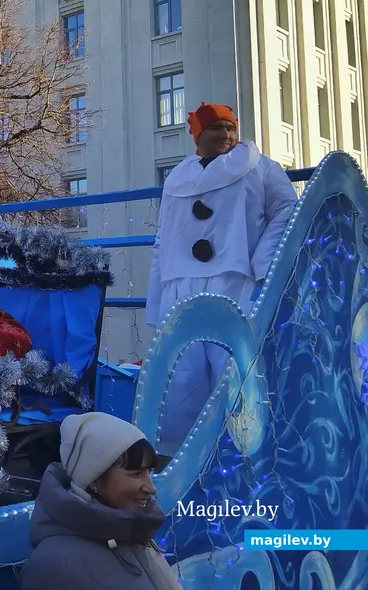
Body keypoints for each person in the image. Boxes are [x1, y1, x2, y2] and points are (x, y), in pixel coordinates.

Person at [145, 102, 297, 455]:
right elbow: (163, 239)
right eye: (217, 128)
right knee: (180, 375)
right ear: (198, 135)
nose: (227, 134)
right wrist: (157, 298)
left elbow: (287, 209)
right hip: (180, 286)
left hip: (233, 282)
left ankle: (241, 457)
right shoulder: (177, 178)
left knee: (235, 373)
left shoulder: (260, 168)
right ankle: (179, 458)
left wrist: (263, 261)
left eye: (231, 128)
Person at [19, 412, 181, 590]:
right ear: (94, 478)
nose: (151, 488)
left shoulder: (131, 530)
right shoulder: (54, 567)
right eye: (136, 474)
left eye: (149, 472)